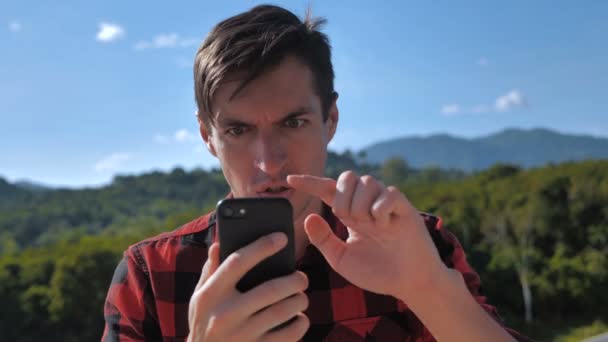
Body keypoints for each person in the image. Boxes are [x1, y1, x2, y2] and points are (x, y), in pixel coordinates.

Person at [102, 5, 532, 342]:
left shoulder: (411, 245)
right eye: (237, 130)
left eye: (293, 123)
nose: (269, 162)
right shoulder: (152, 276)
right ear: (207, 135)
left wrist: (428, 288)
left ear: (331, 120)